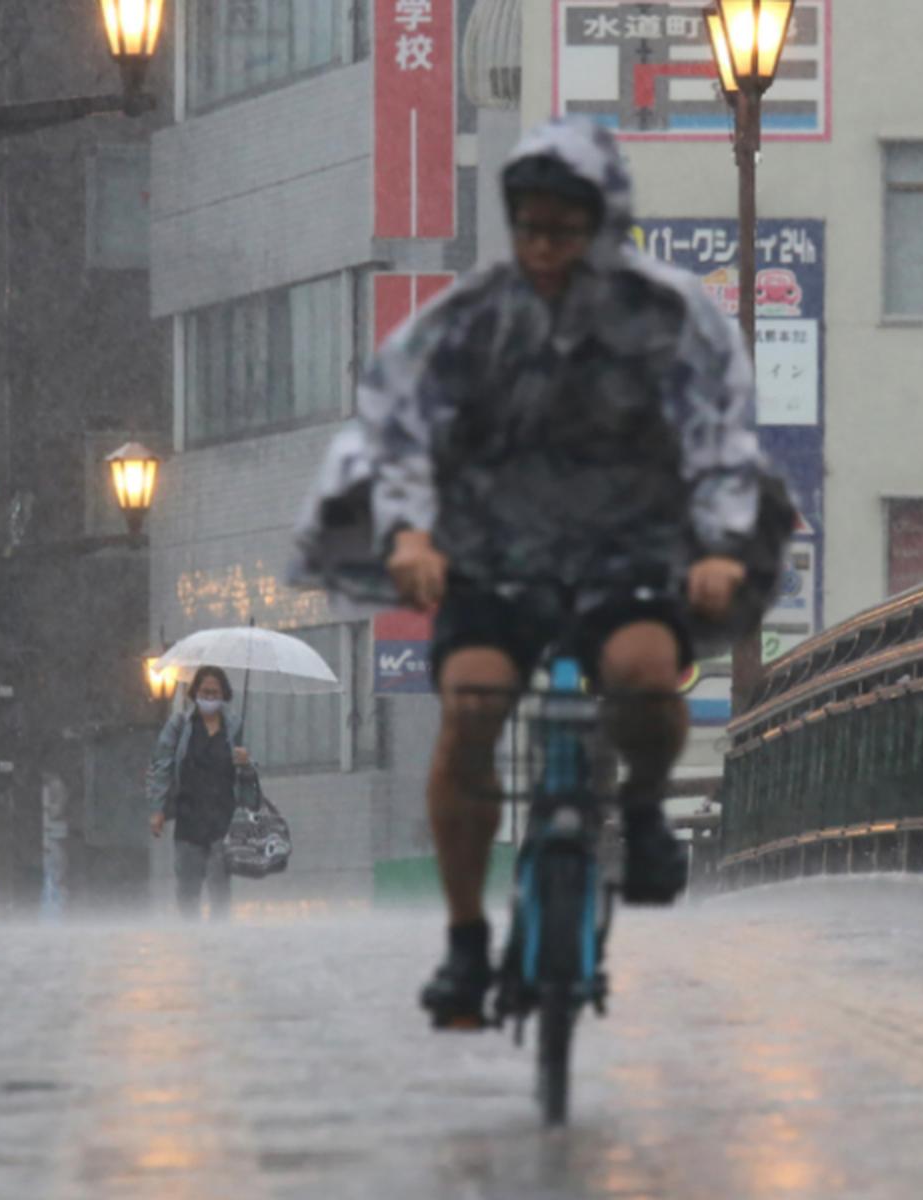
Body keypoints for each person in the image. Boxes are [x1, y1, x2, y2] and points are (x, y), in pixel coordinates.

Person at [292, 116, 791, 1028]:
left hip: (623, 555)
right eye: (532, 229)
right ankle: (464, 941)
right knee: (473, 704)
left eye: (566, 231)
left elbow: (718, 444)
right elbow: (402, 433)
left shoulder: (666, 326)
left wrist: (719, 549)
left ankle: (641, 811)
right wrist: (410, 536)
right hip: (496, 559)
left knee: (644, 673)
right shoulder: (468, 326)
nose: (547, 249)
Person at [146, 666, 260, 920]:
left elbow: (249, 775)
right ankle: (190, 942)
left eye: (215, 692)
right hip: (189, 818)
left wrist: (246, 763)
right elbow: (161, 765)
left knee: (220, 890)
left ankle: (218, 942)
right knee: (187, 891)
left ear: (224, 695)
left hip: (223, 820)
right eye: (204, 691)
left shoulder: (234, 727)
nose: (209, 697)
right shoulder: (179, 725)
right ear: (195, 692)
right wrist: (157, 809)